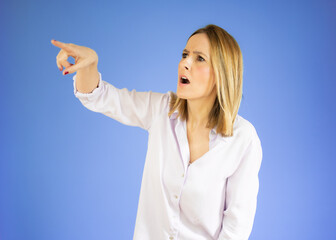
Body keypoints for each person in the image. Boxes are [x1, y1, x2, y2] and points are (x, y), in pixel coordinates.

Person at [51, 24, 263, 240]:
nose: (185, 63)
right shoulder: (162, 110)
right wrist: (90, 65)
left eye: (199, 58)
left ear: (222, 73)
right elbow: (102, 97)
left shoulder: (243, 139)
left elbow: (236, 229)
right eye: (185, 54)